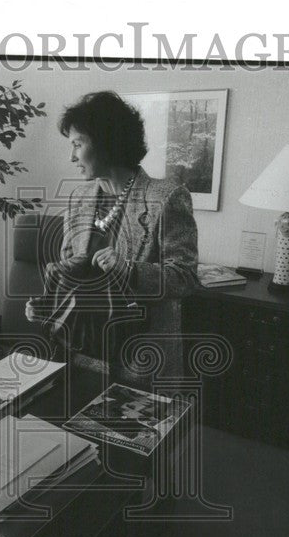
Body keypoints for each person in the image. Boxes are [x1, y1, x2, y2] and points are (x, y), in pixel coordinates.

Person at [25, 91, 199, 381]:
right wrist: (48, 306)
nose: (71, 156)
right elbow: (73, 277)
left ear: (107, 143)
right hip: (78, 356)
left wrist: (129, 270)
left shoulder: (166, 197)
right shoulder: (78, 199)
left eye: (78, 144)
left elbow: (185, 278)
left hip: (138, 360)